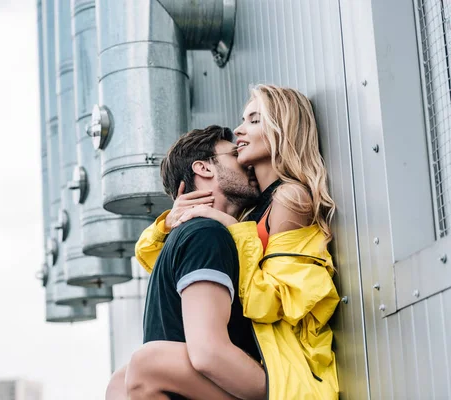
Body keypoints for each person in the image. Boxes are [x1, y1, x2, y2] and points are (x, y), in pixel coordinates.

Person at [110, 84, 341, 399]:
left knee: (147, 363)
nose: (239, 130)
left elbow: (278, 301)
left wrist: (229, 227)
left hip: (280, 366)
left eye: (254, 120)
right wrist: (171, 221)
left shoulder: (290, 198)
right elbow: (164, 260)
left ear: (280, 129)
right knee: (119, 381)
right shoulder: (248, 212)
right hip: (251, 358)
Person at [105, 124, 267, 400]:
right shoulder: (205, 235)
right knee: (146, 364)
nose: (246, 163)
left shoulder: (186, 238)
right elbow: (208, 353)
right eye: (234, 154)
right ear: (204, 168)